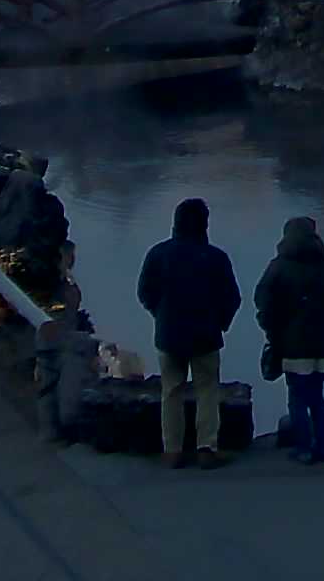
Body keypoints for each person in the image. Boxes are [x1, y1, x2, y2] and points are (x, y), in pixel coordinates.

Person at [134, 197, 241, 469]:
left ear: (176, 222)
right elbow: (232, 297)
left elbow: (145, 292)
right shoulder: (216, 257)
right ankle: (207, 447)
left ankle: (172, 450)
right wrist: (221, 323)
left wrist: (159, 314)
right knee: (207, 390)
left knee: (171, 391)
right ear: (204, 224)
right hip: (206, 334)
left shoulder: (158, 254)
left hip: (169, 334)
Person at [253, 215, 324, 465]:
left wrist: (273, 333)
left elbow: (263, 304)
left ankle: (303, 448)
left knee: (297, 397)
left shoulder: (279, 266)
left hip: (292, 346)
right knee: (317, 395)